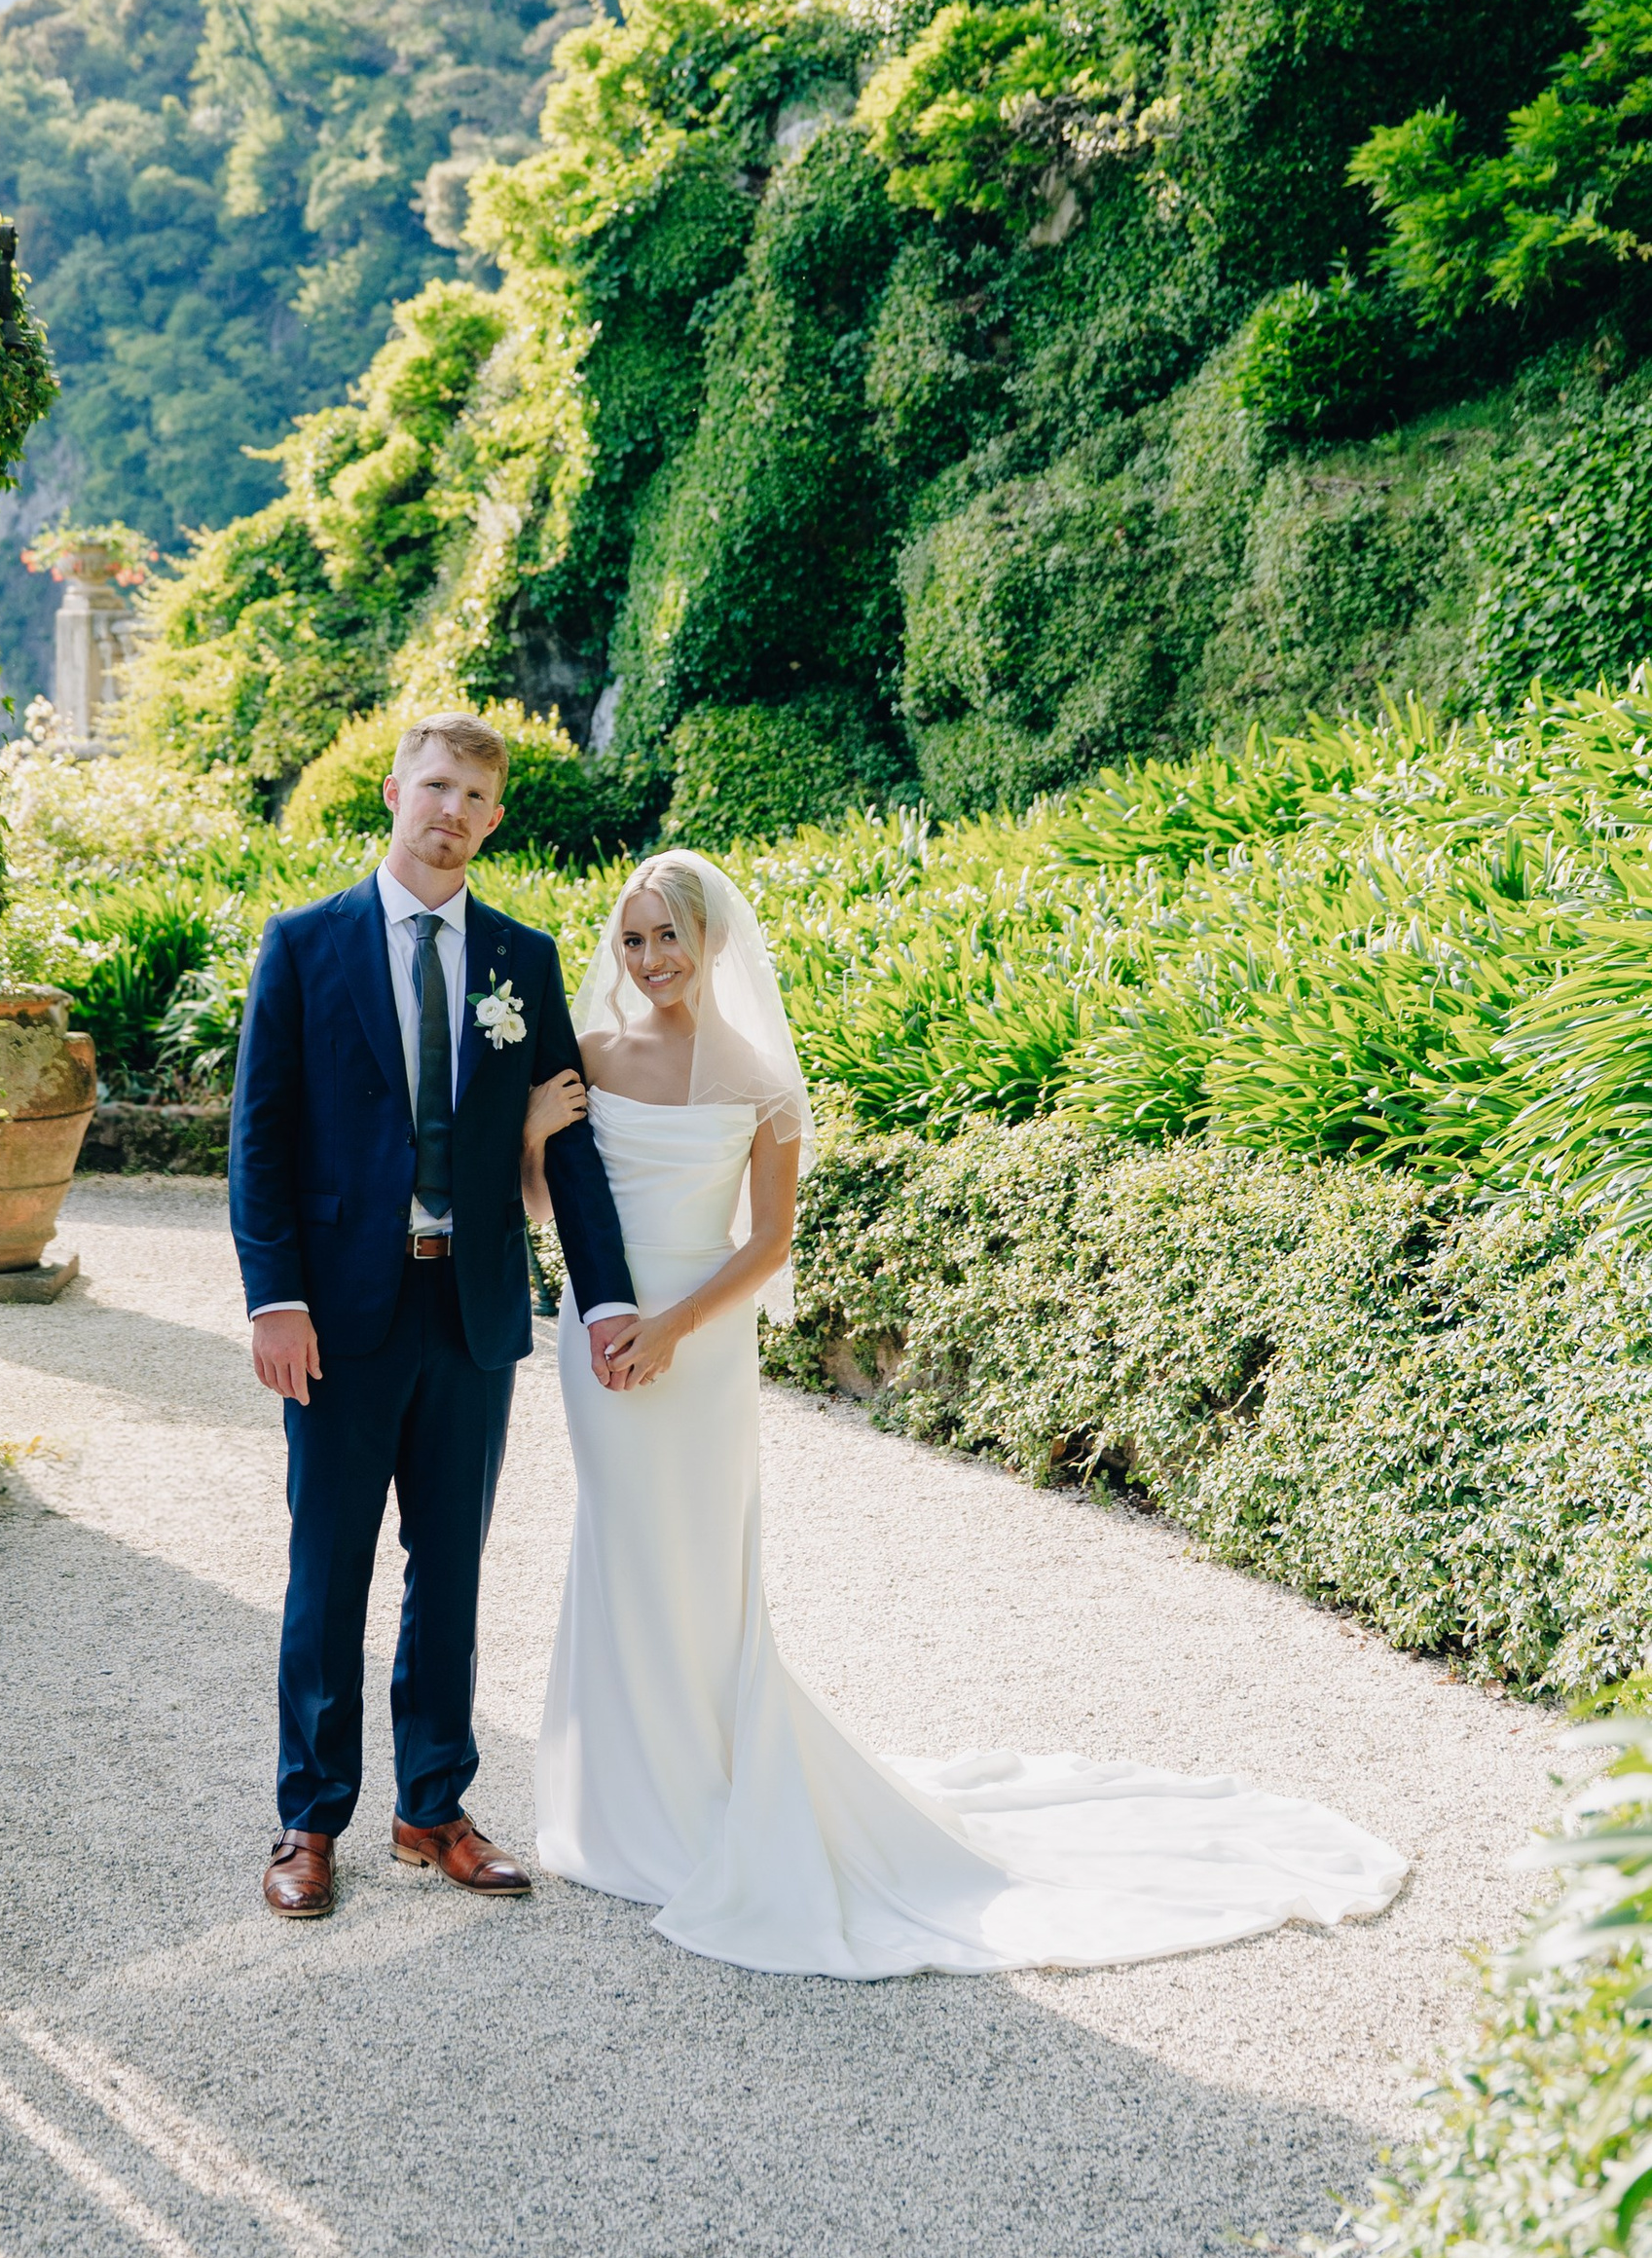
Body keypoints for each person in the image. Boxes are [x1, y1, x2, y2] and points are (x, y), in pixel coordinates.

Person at [519, 848, 1410, 1974]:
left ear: (712, 944)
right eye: (633, 937)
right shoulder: (590, 1056)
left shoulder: (757, 1074)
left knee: (692, 1559)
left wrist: (672, 1328)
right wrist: (531, 1139)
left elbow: (770, 1243)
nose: (647, 958)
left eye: (667, 937)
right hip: (598, 1334)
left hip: (695, 1345)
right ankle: (617, 1803)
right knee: (614, 1542)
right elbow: (552, 1205)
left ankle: (707, 1789)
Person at [229, 712, 638, 1920]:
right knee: (327, 1566)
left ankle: (432, 1807)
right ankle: (309, 1817)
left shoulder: (522, 957)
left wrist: (606, 1293)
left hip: (469, 1309)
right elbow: (258, 1139)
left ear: (494, 816)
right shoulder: (304, 945)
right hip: (339, 1314)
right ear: (395, 791)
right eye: (436, 785)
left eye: (475, 794)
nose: (452, 807)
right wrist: (275, 1297)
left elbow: (567, 1148)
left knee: (448, 1566)